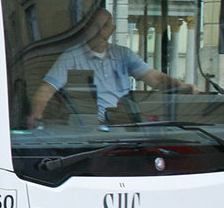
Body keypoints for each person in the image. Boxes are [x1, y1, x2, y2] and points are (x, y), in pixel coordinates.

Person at [28, 8, 195, 125]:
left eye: (106, 26)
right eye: (96, 26)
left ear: (112, 30)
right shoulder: (71, 56)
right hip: (89, 129)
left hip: (123, 126)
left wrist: (181, 86)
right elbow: (46, 90)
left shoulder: (123, 54)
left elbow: (156, 79)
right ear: (86, 28)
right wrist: (36, 115)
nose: (101, 31)